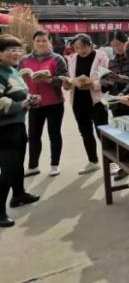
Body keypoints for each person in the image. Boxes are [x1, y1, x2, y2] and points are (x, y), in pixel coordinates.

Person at [0, 34, 40, 228]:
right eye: (10, 50)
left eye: (18, 50)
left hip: (17, 124)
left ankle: (18, 194)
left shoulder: (12, 70)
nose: (16, 53)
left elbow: (19, 94)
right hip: (5, 129)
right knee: (8, 169)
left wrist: (31, 99)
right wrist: (22, 104)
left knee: (17, 165)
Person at [19, 31, 68, 177]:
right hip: (34, 103)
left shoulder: (57, 59)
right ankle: (33, 166)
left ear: (50, 42)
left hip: (54, 103)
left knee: (54, 134)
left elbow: (65, 80)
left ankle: (54, 165)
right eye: (38, 41)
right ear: (33, 42)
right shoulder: (24, 60)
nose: (41, 43)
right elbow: (18, 80)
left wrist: (47, 79)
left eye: (44, 41)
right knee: (33, 135)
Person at [66, 34, 109, 175]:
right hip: (78, 102)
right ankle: (93, 161)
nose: (81, 50)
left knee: (102, 132)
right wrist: (69, 83)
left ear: (90, 44)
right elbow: (70, 78)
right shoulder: (72, 59)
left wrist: (93, 84)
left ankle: (112, 162)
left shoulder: (101, 57)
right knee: (85, 133)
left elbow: (107, 80)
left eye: (84, 47)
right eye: (77, 48)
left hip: (96, 101)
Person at [103, 30, 129, 118]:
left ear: (125, 42)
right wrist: (104, 82)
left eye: (119, 44)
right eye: (113, 45)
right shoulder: (111, 61)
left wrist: (123, 79)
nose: (116, 48)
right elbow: (109, 84)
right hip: (116, 103)